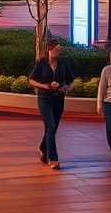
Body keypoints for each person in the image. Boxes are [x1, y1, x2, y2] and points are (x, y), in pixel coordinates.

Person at [27, 38, 75, 170]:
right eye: (55, 51)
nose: (57, 53)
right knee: (51, 125)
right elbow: (31, 80)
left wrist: (66, 87)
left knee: (52, 128)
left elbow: (70, 79)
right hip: (44, 98)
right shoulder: (42, 63)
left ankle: (43, 147)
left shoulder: (62, 63)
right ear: (49, 50)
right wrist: (43, 86)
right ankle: (53, 158)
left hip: (58, 98)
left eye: (59, 51)